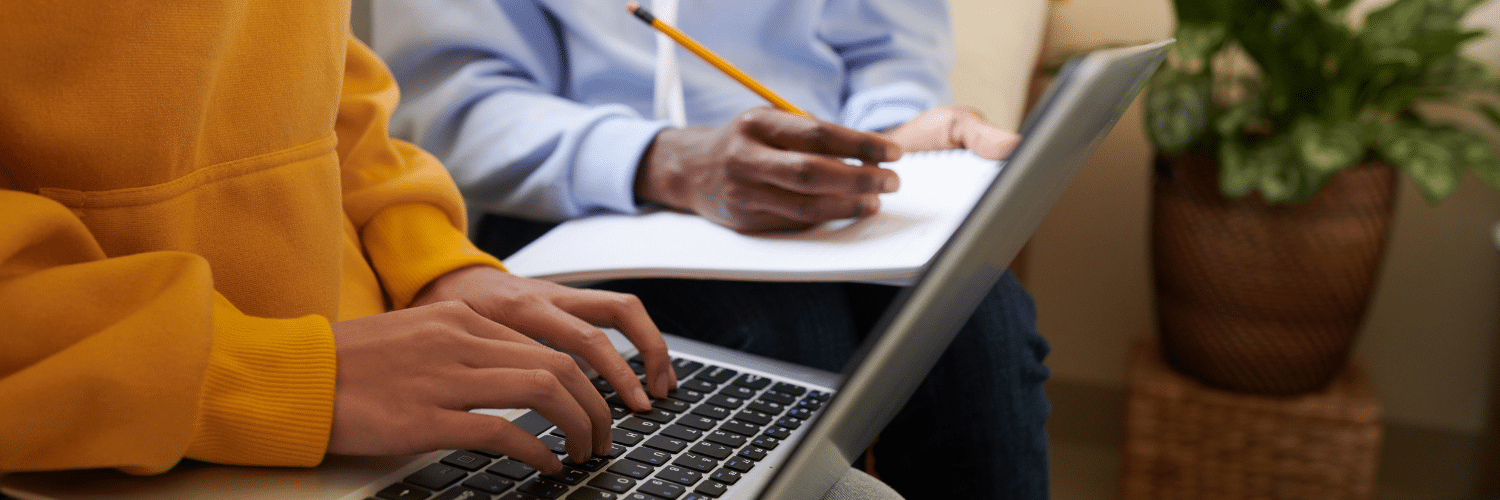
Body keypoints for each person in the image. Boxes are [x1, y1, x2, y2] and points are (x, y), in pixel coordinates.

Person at [0, 2, 900, 498]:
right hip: (115, 431)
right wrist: (276, 377)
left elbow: (330, 95)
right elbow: (460, 98)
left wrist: (433, 263)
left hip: (367, 398)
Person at [372, 0, 1053, 498]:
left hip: (816, 191)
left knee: (978, 311)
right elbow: (452, 104)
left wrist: (887, 139)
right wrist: (662, 160)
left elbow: (888, 55)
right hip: (579, 199)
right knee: (785, 332)